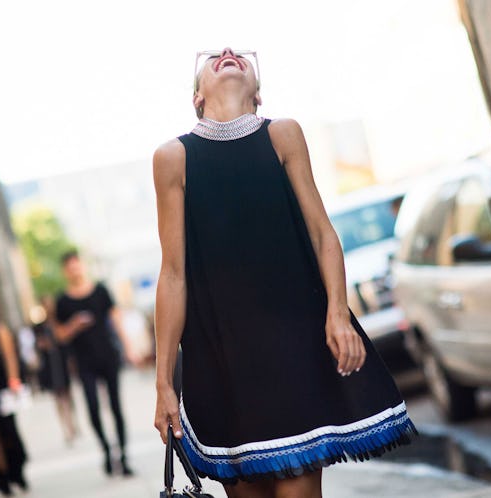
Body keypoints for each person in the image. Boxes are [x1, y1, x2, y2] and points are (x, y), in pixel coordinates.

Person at [153, 48, 416, 498]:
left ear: (258, 93)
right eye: (214, 56)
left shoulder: (282, 135)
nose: (229, 54)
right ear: (197, 95)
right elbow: (173, 275)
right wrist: (162, 381)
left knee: (297, 492)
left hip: (291, 345)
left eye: (240, 55)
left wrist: (337, 312)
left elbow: (322, 235)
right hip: (217, 355)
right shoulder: (172, 158)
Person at [54, 251, 137, 476]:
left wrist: (128, 348)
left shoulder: (100, 290)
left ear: (83, 266)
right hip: (84, 362)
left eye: (77, 265)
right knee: (92, 408)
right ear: (65, 271)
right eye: (70, 267)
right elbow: (60, 335)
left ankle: (124, 456)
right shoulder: (62, 300)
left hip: (108, 356)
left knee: (116, 407)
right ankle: (107, 451)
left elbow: (117, 319)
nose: (75, 269)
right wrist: (74, 325)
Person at [0, 305, 28, 495]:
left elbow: (10, 356)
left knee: (9, 432)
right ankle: (2, 477)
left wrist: (13, 380)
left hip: (1, 388)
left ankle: (17, 469)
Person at [34, 296, 79, 444]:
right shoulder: (39, 327)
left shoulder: (59, 321)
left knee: (68, 395)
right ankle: (66, 427)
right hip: (50, 366)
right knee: (58, 398)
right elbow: (38, 345)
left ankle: (73, 423)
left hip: (61, 362)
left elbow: (66, 340)